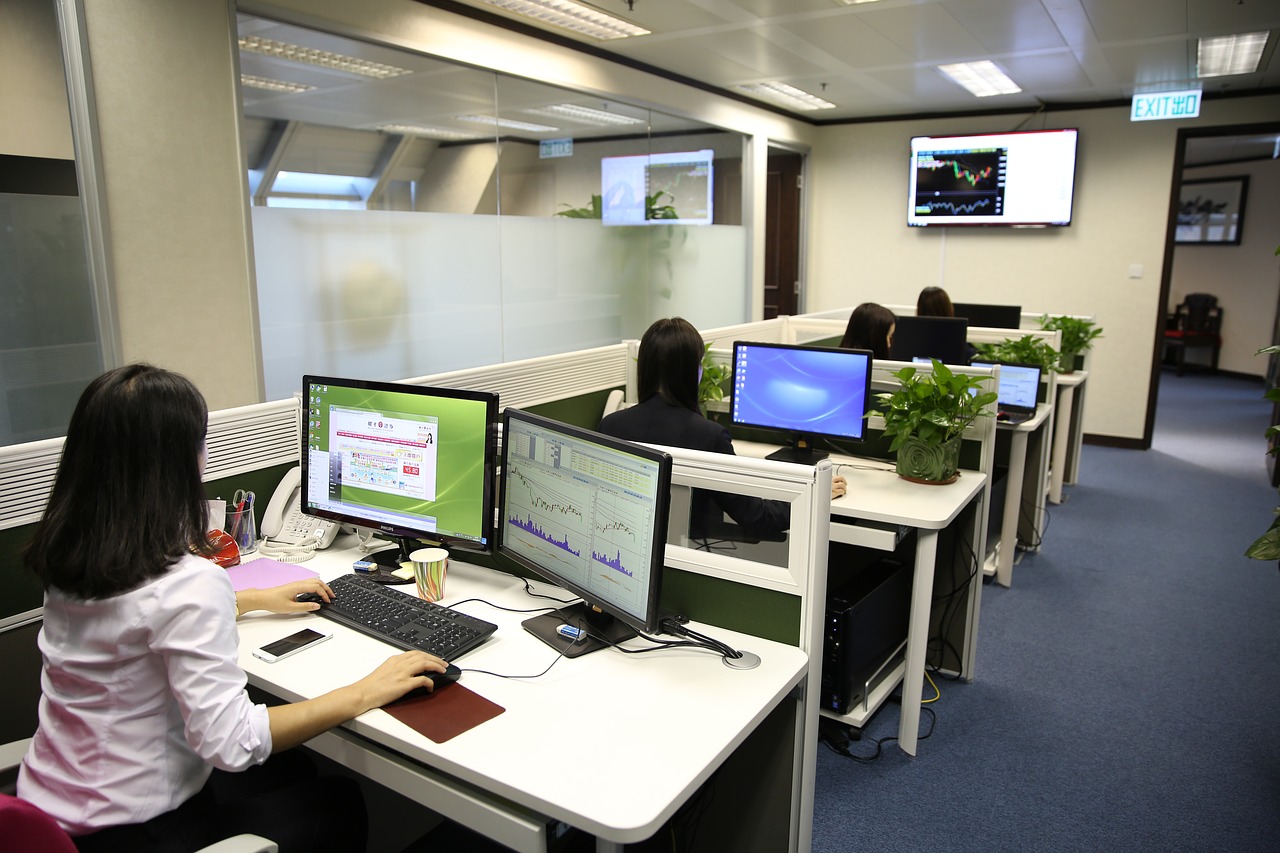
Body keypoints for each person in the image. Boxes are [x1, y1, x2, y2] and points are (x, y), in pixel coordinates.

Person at [18, 364, 449, 852]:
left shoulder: (73, 550)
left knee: (293, 766)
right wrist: (365, 690)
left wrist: (248, 600)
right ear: (179, 462)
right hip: (142, 831)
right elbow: (233, 744)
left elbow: (130, 627)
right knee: (336, 799)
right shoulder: (189, 584)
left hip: (54, 811)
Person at [598, 318, 846, 542]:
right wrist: (816, 496)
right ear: (692, 372)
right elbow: (757, 519)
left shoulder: (611, 426)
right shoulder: (709, 436)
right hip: (687, 561)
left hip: (623, 550)